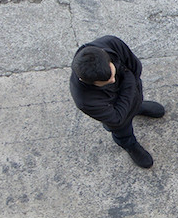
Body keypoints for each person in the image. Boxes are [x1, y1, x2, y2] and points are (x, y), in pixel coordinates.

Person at [69, 35, 165, 169]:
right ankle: (129, 144)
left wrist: (131, 91)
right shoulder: (84, 100)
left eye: (113, 74)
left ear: (108, 59)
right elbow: (117, 118)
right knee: (122, 130)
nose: (113, 80)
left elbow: (136, 67)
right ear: (89, 82)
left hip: (126, 99)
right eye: (106, 82)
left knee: (134, 101)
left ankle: (137, 107)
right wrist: (129, 79)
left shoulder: (111, 43)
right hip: (118, 116)